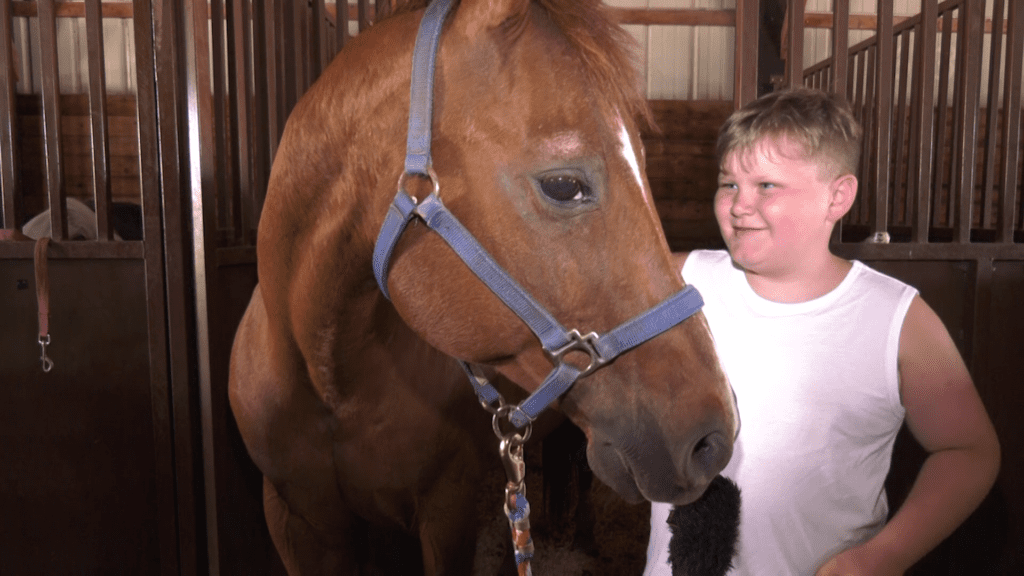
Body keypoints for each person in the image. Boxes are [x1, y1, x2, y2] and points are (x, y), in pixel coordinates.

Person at [643, 86, 1001, 576]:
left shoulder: (898, 319)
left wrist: (884, 555)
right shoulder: (679, 283)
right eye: (728, 184)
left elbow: (969, 450)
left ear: (838, 196)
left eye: (766, 186)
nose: (739, 205)